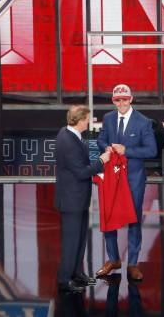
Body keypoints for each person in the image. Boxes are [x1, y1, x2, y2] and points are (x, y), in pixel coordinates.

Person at [96, 84, 157, 282]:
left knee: (133, 219)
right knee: (109, 214)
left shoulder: (143, 122)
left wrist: (126, 151)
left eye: (124, 99)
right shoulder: (108, 118)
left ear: (131, 99)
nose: (121, 103)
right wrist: (107, 147)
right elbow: (101, 139)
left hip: (133, 179)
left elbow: (151, 150)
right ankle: (113, 259)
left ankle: (132, 263)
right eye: (117, 100)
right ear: (114, 101)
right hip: (112, 177)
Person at [54, 105, 111, 293]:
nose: (90, 121)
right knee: (71, 241)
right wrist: (102, 161)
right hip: (71, 201)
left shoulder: (71, 135)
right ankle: (64, 280)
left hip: (78, 199)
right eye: (88, 118)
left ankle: (77, 274)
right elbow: (81, 172)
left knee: (79, 240)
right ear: (80, 120)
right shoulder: (67, 140)